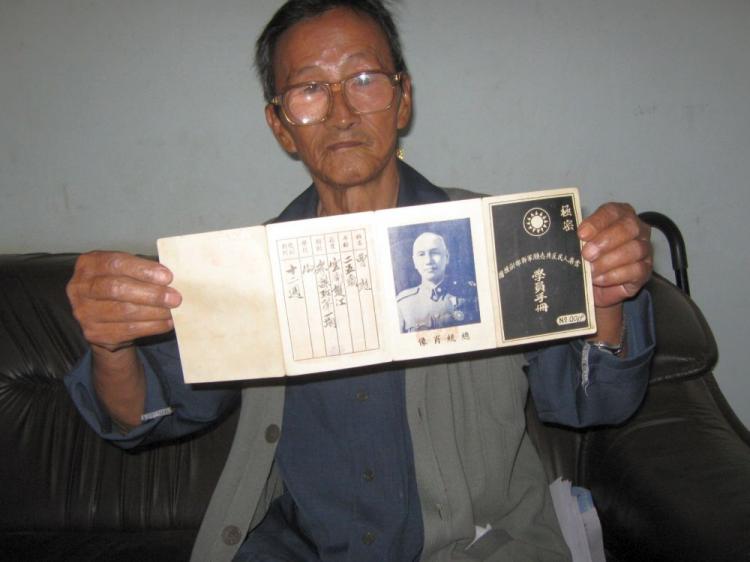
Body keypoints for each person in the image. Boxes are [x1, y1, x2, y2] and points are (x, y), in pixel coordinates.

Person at [64, 1, 655, 560]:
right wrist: (109, 344)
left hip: (479, 546)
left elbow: (589, 401)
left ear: (402, 102)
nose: (341, 112)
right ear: (280, 125)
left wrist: (605, 293)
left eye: (364, 79)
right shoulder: (249, 269)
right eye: (310, 89)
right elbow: (147, 413)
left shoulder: (496, 235)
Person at [397, 231, 479, 332]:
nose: (428, 261)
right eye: (421, 254)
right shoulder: (404, 303)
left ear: (447, 257)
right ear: (415, 262)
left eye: (434, 253)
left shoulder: (471, 294)